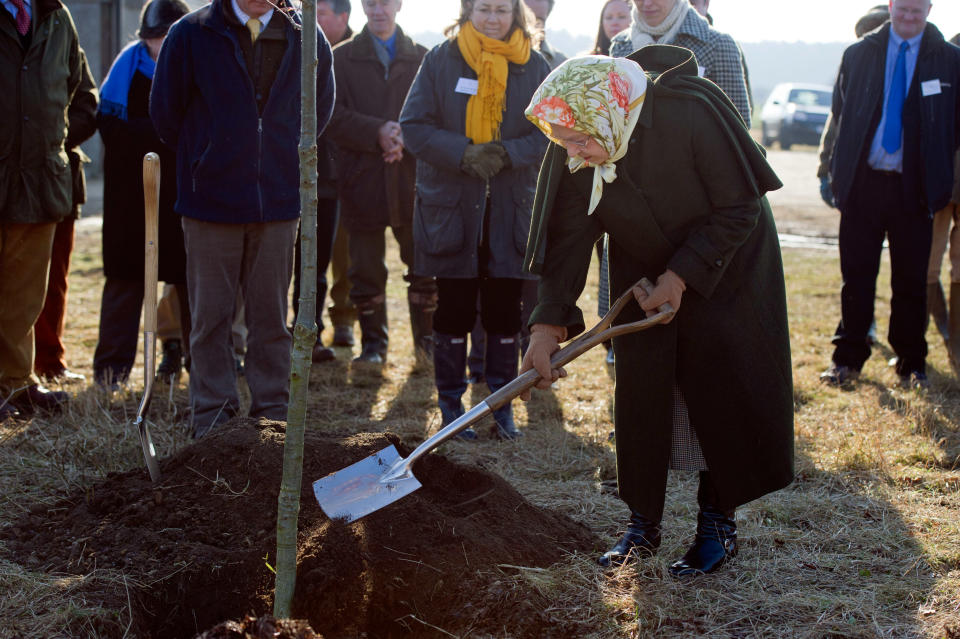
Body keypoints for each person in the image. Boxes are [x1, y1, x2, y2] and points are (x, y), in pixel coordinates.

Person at [520, 50, 793, 577]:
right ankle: (643, 524)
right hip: (642, 272)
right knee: (645, 393)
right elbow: (568, 240)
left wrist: (682, 274)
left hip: (725, 264)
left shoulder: (690, 111)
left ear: (609, 114)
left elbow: (739, 205)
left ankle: (718, 522)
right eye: (564, 143)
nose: (573, 154)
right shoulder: (579, 132)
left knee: (720, 391)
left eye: (579, 141)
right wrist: (546, 325)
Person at [150, 0, 335, 437]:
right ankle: (212, 418)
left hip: (278, 203)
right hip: (209, 204)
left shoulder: (307, 34)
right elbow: (166, 113)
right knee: (210, 317)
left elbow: (319, 110)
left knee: (271, 318)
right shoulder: (190, 32)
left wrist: (279, 157)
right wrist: (208, 157)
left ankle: (272, 415)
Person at [400, 0, 550, 440]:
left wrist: (508, 153)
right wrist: (463, 153)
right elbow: (413, 125)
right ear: (468, 11)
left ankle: (500, 406)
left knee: (506, 311)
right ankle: (451, 406)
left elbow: (550, 133)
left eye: (501, 10)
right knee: (455, 309)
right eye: (483, 8)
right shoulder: (441, 59)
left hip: (510, 210)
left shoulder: (533, 65)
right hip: (453, 210)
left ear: (515, 15)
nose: (492, 18)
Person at [819, 0, 960, 389]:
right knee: (857, 277)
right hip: (863, 184)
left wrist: (938, 171)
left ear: (930, 9)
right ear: (892, 6)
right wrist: (834, 174)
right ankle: (847, 359)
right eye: (903, 9)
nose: (909, 17)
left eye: (917, 10)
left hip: (914, 190)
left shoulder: (950, 61)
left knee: (911, 281)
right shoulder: (858, 53)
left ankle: (912, 364)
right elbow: (841, 113)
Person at [326, 0, 437, 364]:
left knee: (423, 264)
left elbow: (438, 113)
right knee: (365, 269)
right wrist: (376, 131)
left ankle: (427, 345)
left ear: (399, 5)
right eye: (370, 3)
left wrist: (404, 135)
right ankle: (374, 345)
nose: (378, 10)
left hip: (413, 178)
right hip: (362, 179)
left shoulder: (425, 57)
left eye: (385, 2)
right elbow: (329, 115)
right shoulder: (339, 60)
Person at [0, 0, 97, 419]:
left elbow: (83, 96)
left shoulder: (57, 16)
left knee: (25, 297)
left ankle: (15, 383)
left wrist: (49, 148)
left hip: (40, 183)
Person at [93, 0, 192, 389]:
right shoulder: (126, 68)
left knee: (190, 283)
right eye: (155, 38)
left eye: (168, 37)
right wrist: (158, 136)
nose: (160, 46)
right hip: (129, 202)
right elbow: (111, 130)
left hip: (184, 197)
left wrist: (154, 135)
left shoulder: (196, 69)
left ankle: (201, 370)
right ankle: (110, 374)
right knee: (124, 281)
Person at [291, 0, 354, 364]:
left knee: (318, 259)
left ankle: (310, 330)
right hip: (289, 169)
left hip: (331, 175)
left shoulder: (346, 57)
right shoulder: (294, 42)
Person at [33, 47, 98, 384]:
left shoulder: (61, 34)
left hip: (57, 177)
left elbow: (87, 106)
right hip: (6, 176)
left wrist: (46, 142)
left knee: (53, 279)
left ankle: (49, 362)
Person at [609, 0, 750, 124]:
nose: (647, 3)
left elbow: (738, 121)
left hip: (696, 152)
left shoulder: (718, 44)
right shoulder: (620, 45)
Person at [926, 33, 960, 373]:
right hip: (940, 181)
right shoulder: (948, 51)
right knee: (928, 266)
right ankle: (925, 340)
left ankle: (956, 347)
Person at [523, 0, 565, 69]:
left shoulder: (561, 65)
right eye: (527, 18)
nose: (531, 26)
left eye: (538, 21)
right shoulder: (501, 54)